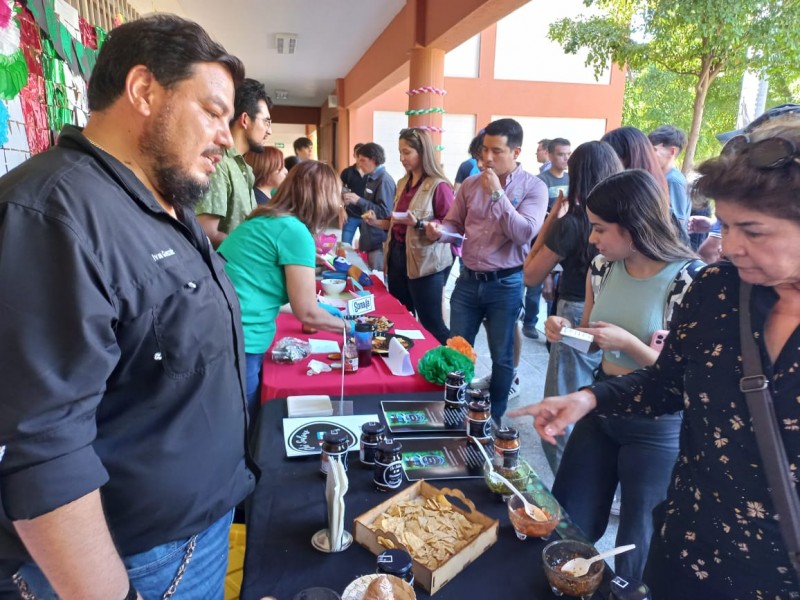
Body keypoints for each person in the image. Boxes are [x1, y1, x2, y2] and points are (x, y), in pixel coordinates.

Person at [0, 14, 255, 599]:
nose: (226, 136)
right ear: (144, 91)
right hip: (136, 561)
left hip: (190, 535)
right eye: (213, 112)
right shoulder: (52, 215)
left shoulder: (162, 202)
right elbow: (40, 449)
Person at [510, 105, 800, 598]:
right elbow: (667, 382)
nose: (730, 248)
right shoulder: (720, 289)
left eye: (751, 231)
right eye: (725, 227)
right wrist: (589, 399)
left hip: (775, 573)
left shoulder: (689, 279)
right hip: (688, 545)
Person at [512, 169, 702, 581]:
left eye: (599, 228)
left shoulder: (689, 280)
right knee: (566, 519)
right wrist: (568, 334)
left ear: (633, 225)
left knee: (639, 543)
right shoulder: (601, 267)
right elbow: (595, 340)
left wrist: (631, 344)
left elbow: (687, 378)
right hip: (602, 403)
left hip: (657, 425)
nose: (592, 239)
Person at [426, 117, 547, 423]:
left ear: (516, 152)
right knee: (457, 351)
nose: (487, 158)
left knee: (502, 356)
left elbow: (524, 233)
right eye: (484, 150)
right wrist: (440, 230)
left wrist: (497, 194)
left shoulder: (534, 187)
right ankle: (454, 411)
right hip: (467, 280)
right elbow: (455, 221)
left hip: (505, 283)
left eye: (497, 151)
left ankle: (492, 420)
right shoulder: (468, 184)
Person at [218, 161, 350, 423]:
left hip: (224, 328)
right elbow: (308, 313)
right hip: (241, 336)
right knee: (245, 422)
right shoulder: (294, 231)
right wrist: (349, 327)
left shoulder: (268, 218)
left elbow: (263, 285)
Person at [522, 141, 624, 476]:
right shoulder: (626, 221)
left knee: (559, 412)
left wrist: (554, 216)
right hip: (617, 315)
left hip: (574, 318)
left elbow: (531, 273)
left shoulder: (574, 222)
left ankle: (569, 488)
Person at [365, 128, 455, 344]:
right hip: (397, 256)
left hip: (425, 261)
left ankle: (452, 368)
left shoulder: (439, 185)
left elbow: (452, 226)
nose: (402, 158)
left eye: (407, 152)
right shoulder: (403, 183)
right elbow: (396, 219)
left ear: (422, 153)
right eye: (400, 152)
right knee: (402, 316)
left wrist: (422, 224)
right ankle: (409, 364)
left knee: (431, 322)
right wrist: (376, 222)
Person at [194, 78, 272, 248]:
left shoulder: (245, 169)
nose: (269, 131)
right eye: (266, 122)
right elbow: (207, 233)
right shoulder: (218, 163)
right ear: (245, 119)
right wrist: (259, 251)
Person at [522, 137, 572, 339]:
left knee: (556, 290)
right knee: (536, 286)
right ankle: (530, 322)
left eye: (568, 154)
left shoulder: (571, 179)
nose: (565, 158)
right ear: (550, 156)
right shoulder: (541, 181)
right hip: (544, 238)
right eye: (561, 154)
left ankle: (553, 324)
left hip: (565, 239)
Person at [343, 142, 396, 270]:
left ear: (373, 160)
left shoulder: (384, 180)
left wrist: (359, 200)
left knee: (379, 280)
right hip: (370, 238)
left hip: (378, 240)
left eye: (362, 160)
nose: (359, 164)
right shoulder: (371, 177)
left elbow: (385, 213)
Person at [648, 125, 691, 230]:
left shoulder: (673, 181)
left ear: (672, 151)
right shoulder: (659, 177)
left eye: (654, 149)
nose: (649, 154)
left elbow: (677, 223)